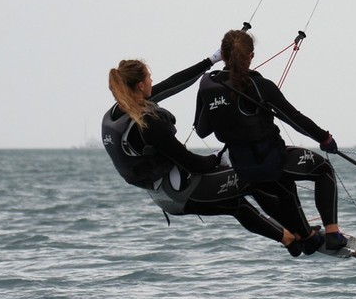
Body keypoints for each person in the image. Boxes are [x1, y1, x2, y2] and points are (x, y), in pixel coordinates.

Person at [102, 51, 308, 257]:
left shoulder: (119, 112)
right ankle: (305, 234)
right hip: (182, 191)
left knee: (237, 204)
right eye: (149, 77)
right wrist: (218, 157)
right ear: (140, 85)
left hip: (165, 195)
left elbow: (174, 82)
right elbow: (193, 164)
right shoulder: (149, 123)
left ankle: (290, 238)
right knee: (252, 176)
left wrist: (212, 59)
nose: (152, 80)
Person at [193, 29, 348, 252]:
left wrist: (218, 107)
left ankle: (305, 238)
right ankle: (333, 234)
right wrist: (324, 138)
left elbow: (201, 131)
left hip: (243, 169)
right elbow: (294, 118)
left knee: (283, 188)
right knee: (322, 169)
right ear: (251, 56)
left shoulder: (208, 85)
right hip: (273, 161)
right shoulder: (259, 85)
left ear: (223, 55)